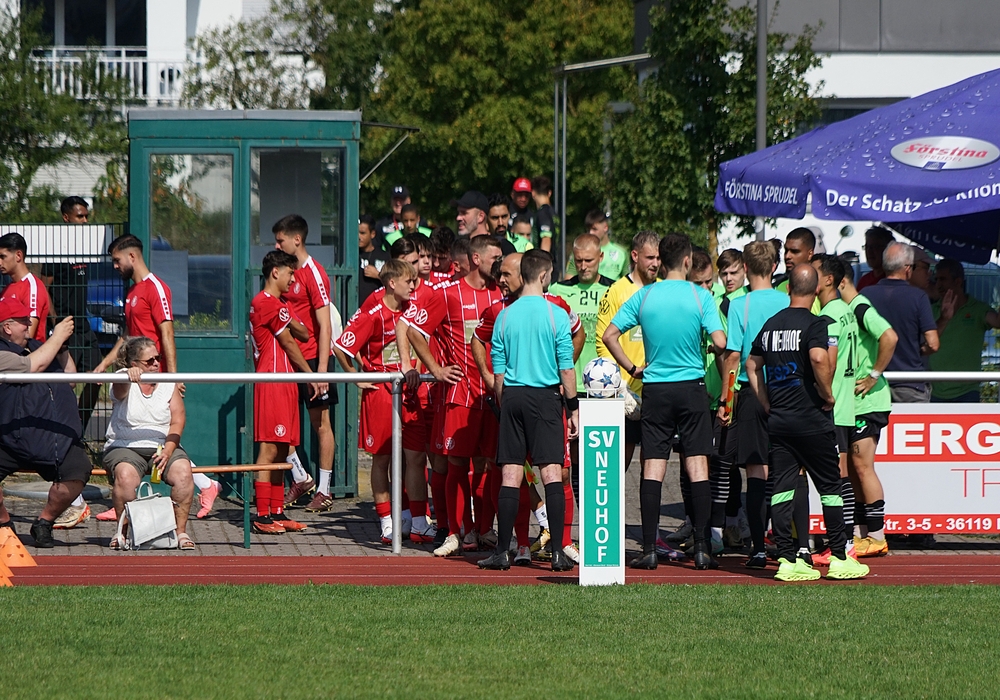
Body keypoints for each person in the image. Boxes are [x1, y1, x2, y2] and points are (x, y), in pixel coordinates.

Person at [603, 233, 726, 570]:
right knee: (697, 465)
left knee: (653, 466)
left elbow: (610, 335)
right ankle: (701, 549)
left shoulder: (644, 295)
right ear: (687, 261)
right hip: (691, 388)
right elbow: (720, 341)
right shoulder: (700, 296)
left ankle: (648, 549)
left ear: (662, 260)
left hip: (656, 388)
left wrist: (632, 368)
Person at [746, 264, 870, 582]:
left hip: (780, 421)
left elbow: (751, 364)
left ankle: (787, 560)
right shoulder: (816, 323)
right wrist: (827, 394)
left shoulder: (772, 324)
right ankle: (839, 557)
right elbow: (818, 357)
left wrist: (765, 402)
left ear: (788, 288)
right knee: (830, 488)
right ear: (816, 290)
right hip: (812, 419)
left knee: (782, 489)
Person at [97, 234, 223, 521]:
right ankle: (124, 494)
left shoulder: (156, 288)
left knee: (161, 436)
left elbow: (167, 332)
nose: (115, 266)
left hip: (155, 377)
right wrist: (104, 364)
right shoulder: (132, 292)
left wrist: (172, 376)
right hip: (135, 375)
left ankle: (204, 485)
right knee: (137, 434)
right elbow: (127, 336)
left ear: (132, 257)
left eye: (117, 260)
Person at [472, 252, 584, 564]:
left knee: (510, 474)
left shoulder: (504, 315)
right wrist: (573, 409)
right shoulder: (556, 314)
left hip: (513, 396)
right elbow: (566, 368)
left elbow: (498, 373)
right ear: (545, 276)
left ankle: (501, 552)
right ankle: (558, 551)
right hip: (545, 398)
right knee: (552, 473)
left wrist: (503, 403)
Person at [401, 235, 504, 556]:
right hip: (461, 393)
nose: (500, 264)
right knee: (455, 462)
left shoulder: (501, 292)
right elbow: (413, 331)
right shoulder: (447, 293)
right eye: (495, 257)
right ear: (476, 259)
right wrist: (436, 368)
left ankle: (485, 529)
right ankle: (457, 531)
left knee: (490, 463)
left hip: (495, 393)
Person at [335, 260, 437, 544]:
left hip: (410, 391)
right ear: (392, 283)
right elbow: (341, 346)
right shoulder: (374, 313)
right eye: (408, 281)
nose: (414, 286)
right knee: (382, 458)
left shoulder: (413, 310)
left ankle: (418, 521)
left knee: (415, 457)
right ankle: (386, 522)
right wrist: (356, 377)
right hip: (381, 392)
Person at [719, 241, 788, 568]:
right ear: (774, 267)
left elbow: (733, 356)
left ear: (745, 268)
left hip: (750, 391)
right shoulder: (788, 301)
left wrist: (726, 399)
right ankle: (790, 545)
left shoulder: (739, 305)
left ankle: (758, 547)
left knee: (756, 472)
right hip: (786, 389)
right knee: (787, 470)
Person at [0, 301, 89, 548]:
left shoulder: (40, 347)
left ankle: (44, 522)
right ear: (7, 327)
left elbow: (70, 379)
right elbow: (33, 365)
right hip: (9, 437)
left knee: (78, 470)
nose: (29, 324)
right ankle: (4, 523)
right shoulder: (3, 353)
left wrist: (61, 346)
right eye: (23, 320)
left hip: (55, 437)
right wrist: (56, 337)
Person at [249, 250, 320, 534]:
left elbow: (305, 333)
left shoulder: (280, 305)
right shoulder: (264, 302)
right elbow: (291, 343)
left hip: (286, 381)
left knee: (281, 450)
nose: (293, 280)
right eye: (290, 273)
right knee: (268, 449)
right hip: (273, 381)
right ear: (275, 272)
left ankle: (277, 511)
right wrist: (311, 375)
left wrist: (286, 314)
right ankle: (261, 515)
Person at [272, 215, 339, 513]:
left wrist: (321, 371)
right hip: (288, 359)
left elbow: (325, 324)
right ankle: (301, 477)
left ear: (296, 239)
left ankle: (324, 490)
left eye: (281, 240)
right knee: (281, 422)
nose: (277, 245)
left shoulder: (315, 273)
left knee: (320, 423)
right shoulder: (284, 272)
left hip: (313, 357)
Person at [103, 336, 196, 550]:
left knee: (184, 473)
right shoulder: (122, 377)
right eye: (149, 361)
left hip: (161, 445)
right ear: (134, 363)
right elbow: (119, 390)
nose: (156, 364)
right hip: (125, 446)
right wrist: (128, 377)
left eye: (158, 358)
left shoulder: (167, 383)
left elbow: (178, 420)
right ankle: (122, 532)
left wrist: (168, 450)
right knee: (125, 477)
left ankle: (180, 532)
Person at [839, 263, 897, 558]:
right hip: (854, 403)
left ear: (840, 282)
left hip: (869, 402)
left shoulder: (860, 307)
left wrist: (874, 374)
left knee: (863, 467)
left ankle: (877, 535)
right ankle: (862, 533)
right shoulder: (846, 310)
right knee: (852, 469)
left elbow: (889, 336)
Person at [811, 254, 861, 564]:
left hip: (835, 406)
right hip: (845, 405)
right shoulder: (846, 311)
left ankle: (843, 544)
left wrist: (824, 395)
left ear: (829, 279)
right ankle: (844, 541)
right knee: (839, 476)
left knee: (837, 478)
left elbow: (827, 362)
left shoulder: (829, 315)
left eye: (816, 272)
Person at [595, 230, 660, 468]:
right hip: (626, 390)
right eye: (650, 257)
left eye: (658, 258)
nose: (655, 263)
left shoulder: (663, 289)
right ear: (634, 256)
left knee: (653, 462)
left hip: (655, 387)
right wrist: (618, 385)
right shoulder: (616, 291)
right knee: (619, 463)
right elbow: (602, 339)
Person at [41, 198, 105, 438]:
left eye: (87, 216)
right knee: (67, 384)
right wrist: (56, 322)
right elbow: (44, 288)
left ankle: (78, 431)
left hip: (84, 325)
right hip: (65, 327)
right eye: (80, 216)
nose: (85, 221)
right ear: (66, 218)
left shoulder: (85, 246)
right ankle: (62, 435)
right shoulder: (56, 249)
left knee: (97, 378)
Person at [863, 242, 939, 403]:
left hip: (873, 381)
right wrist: (916, 349)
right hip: (910, 383)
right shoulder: (918, 297)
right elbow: (933, 344)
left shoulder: (865, 295)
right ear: (907, 268)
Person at [930, 258, 1000, 402]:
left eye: (943, 279)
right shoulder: (932, 310)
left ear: (958, 282)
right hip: (934, 391)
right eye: (936, 280)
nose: (938, 285)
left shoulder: (977, 309)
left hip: (967, 391)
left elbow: (997, 321)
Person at [0, 232, 50, 342]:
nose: (0, 262)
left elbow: (27, 335)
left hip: (28, 352)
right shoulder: (7, 288)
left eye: (3, 257)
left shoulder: (32, 287)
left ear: (18, 256)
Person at [566, 210, 629, 280]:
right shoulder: (580, 252)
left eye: (594, 229)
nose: (590, 232)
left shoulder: (621, 252)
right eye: (588, 229)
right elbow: (569, 280)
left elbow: (628, 281)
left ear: (605, 227)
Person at [455, 190, 516, 255]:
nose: (458, 218)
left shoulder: (502, 246)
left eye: (464, 213)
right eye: (459, 213)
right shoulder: (457, 247)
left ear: (480, 216)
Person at [358, 214, 389, 305]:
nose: (359, 237)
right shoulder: (350, 256)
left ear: (372, 234)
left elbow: (395, 283)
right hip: (353, 308)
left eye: (363, 233)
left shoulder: (384, 256)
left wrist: (378, 275)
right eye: (356, 232)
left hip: (376, 307)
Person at [374, 185, 413, 251]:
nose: (398, 203)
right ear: (390, 201)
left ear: (408, 201)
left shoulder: (420, 222)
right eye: (395, 199)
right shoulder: (381, 224)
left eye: (401, 200)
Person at [857, 226, 895, 291]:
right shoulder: (864, 281)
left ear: (887, 249)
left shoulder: (894, 280)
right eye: (867, 247)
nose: (869, 251)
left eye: (875, 246)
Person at [531, 176, 555, 252]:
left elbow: (546, 239)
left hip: (545, 258)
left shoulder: (542, 213)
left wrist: (542, 258)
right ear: (549, 193)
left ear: (533, 193)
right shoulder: (554, 213)